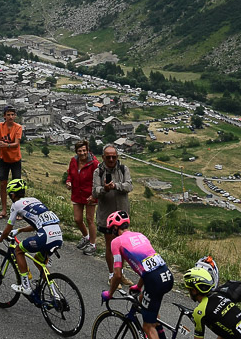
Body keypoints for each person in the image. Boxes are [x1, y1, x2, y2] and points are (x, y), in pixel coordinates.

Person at [103, 212, 174, 339]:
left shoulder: (116, 242)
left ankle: (152, 328)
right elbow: (147, 267)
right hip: (167, 275)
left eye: (111, 229)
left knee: (147, 326)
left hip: (154, 280)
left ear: (114, 228)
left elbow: (118, 275)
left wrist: (110, 294)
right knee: (144, 300)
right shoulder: (140, 235)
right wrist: (138, 286)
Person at [0, 178, 62, 295]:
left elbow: (8, 228)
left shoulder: (16, 205)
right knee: (38, 260)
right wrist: (19, 230)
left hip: (45, 236)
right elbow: (37, 224)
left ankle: (25, 286)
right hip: (58, 235)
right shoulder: (34, 200)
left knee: (18, 250)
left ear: (13, 194)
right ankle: (55, 294)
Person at [183, 267, 241, 339]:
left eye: (188, 289)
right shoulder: (221, 295)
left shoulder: (200, 312)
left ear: (194, 291)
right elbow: (225, 332)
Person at [93, 144, 133, 273]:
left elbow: (129, 186)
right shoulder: (98, 171)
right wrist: (105, 189)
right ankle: (112, 274)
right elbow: (95, 192)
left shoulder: (123, 169)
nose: (111, 160)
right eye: (108, 157)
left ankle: (120, 274)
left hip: (122, 214)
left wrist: (116, 186)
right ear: (103, 157)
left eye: (113, 157)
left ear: (117, 157)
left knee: (123, 246)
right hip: (107, 216)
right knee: (111, 247)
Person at [0, 107, 23, 219]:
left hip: (15, 160)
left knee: (17, 186)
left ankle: (18, 210)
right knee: (3, 184)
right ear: (4, 116)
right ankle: (4, 210)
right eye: (8, 115)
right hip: (4, 159)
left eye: (12, 115)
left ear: (15, 116)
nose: (10, 117)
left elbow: (16, 143)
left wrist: (6, 145)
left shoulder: (18, 127)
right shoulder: (0, 126)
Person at [67, 141, 99, 255]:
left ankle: (93, 245)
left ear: (88, 151)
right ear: (76, 152)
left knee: (90, 219)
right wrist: (69, 181)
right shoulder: (73, 161)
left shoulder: (94, 163)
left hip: (89, 195)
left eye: (84, 150)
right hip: (77, 193)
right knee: (77, 219)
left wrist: (94, 195)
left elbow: (98, 180)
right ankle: (86, 237)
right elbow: (70, 173)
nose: (82, 153)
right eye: (80, 151)